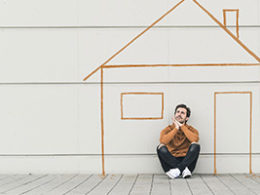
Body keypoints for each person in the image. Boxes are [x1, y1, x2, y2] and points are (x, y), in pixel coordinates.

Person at [157, 104, 200, 179]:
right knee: (160, 147)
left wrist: (182, 126)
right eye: (178, 112)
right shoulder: (168, 129)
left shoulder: (191, 129)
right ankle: (183, 169)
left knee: (196, 145)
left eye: (182, 113)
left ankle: (178, 170)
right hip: (170, 165)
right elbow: (163, 141)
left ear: (186, 118)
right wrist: (176, 128)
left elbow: (194, 139)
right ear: (174, 115)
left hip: (187, 162)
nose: (179, 114)